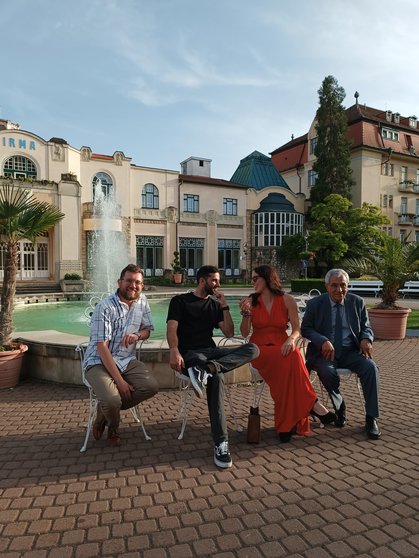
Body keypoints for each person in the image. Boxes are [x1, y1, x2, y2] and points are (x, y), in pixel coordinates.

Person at [166, 265, 259, 468]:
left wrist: (224, 305)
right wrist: (174, 350)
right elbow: (172, 328)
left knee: (252, 349)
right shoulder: (180, 301)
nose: (218, 284)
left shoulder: (215, 306)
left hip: (211, 355)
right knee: (216, 380)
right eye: (214, 280)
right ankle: (221, 443)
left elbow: (228, 333)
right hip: (190, 355)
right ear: (202, 281)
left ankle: (207, 370)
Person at [239, 265, 336, 443]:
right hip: (259, 350)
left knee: (293, 355)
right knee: (292, 358)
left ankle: (287, 424)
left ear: (267, 278)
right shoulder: (250, 301)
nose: (252, 282)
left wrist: (291, 339)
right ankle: (312, 404)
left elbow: (297, 329)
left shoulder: (287, 300)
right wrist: (246, 314)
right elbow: (245, 333)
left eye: (255, 279)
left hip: (282, 346)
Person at [83, 264, 159, 446]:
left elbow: (147, 330)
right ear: (119, 282)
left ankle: (106, 410)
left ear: (142, 285)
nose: (133, 285)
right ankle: (113, 427)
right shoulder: (105, 307)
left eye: (138, 282)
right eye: (129, 281)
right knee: (112, 398)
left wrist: (138, 335)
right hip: (98, 361)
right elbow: (102, 348)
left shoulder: (142, 301)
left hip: (126, 359)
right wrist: (121, 382)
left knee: (151, 386)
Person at [301, 269, 381, 440]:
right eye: (334, 286)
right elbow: (306, 328)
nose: (339, 290)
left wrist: (366, 339)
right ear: (327, 286)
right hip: (324, 354)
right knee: (326, 371)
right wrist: (322, 340)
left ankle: (371, 418)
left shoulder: (357, 302)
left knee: (370, 368)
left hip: (350, 351)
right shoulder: (315, 304)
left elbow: (366, 327)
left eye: (343, 285)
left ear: (347, 286)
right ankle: (340, 405)